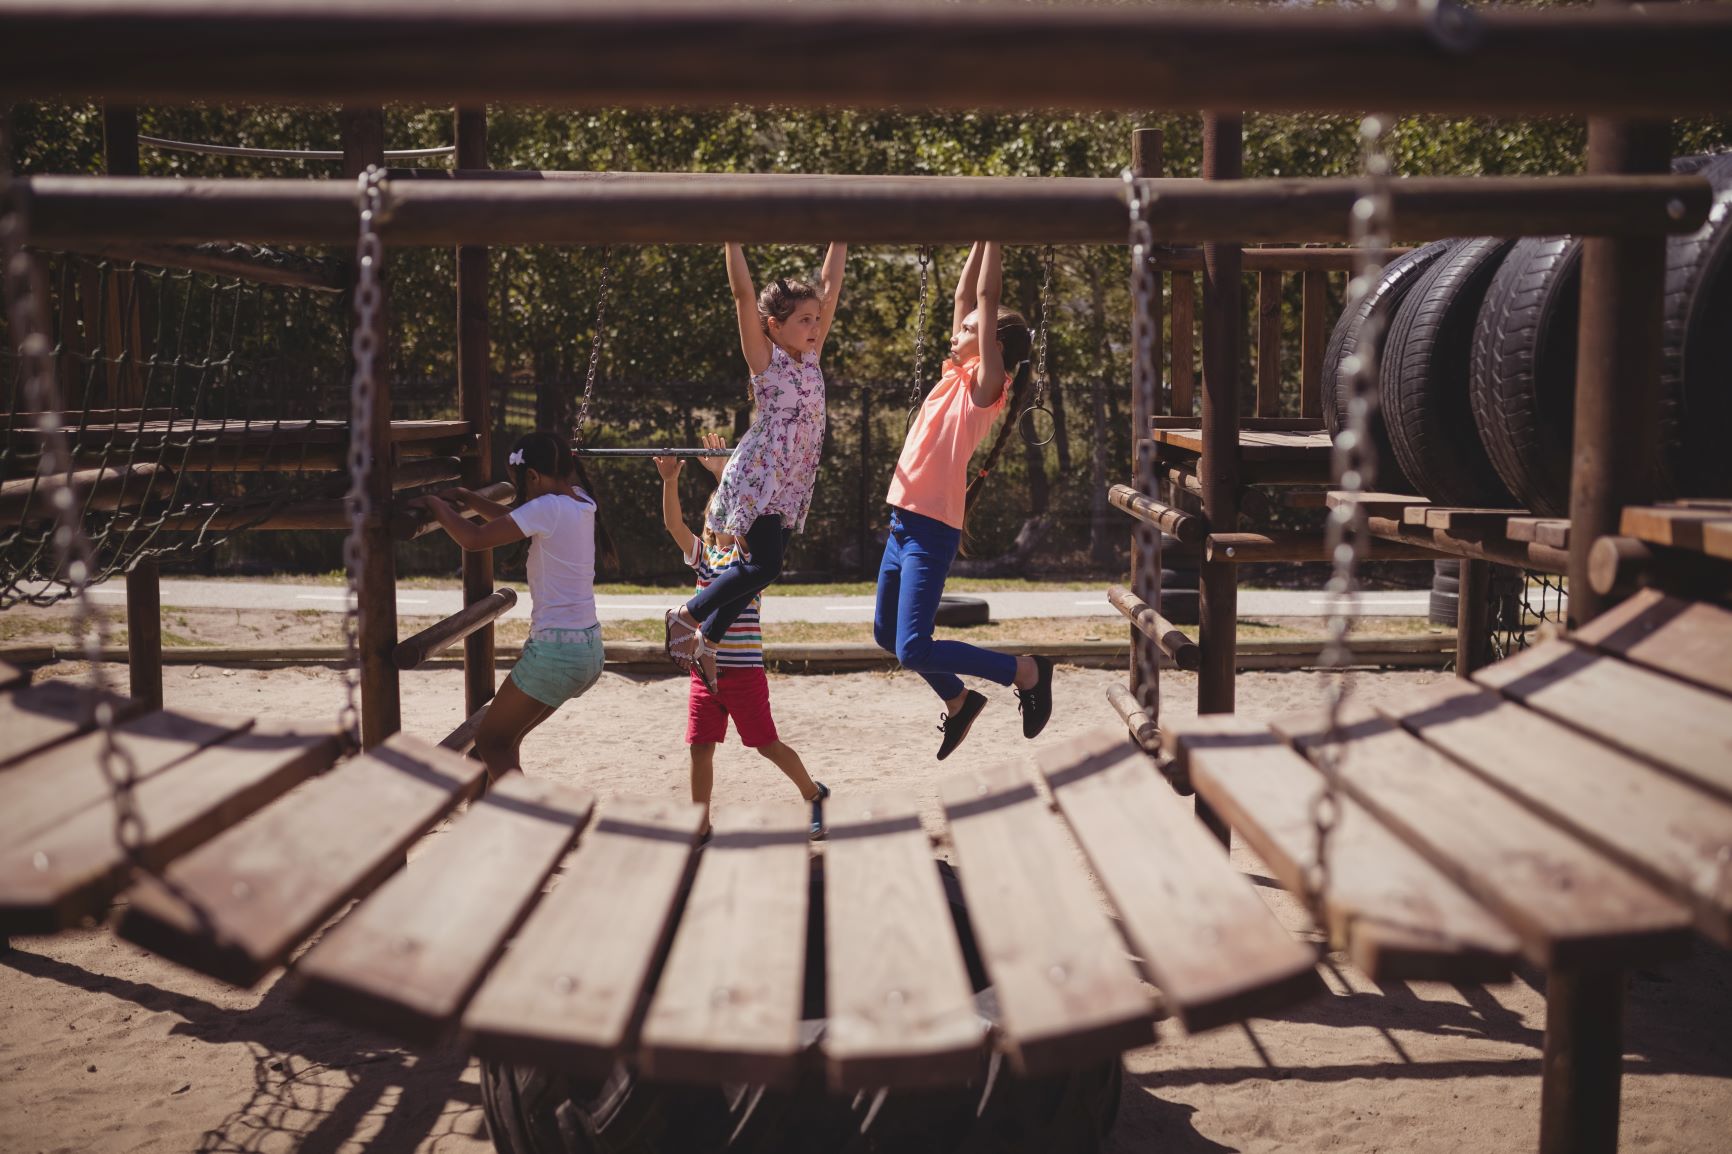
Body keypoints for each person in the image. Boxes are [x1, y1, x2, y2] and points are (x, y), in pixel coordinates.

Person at [875, 241, 1055, 760]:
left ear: (994, 347)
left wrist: (995, 230)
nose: (957, 332)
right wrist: (977, 234)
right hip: (901, 524)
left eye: (970, 329)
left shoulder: (985, 388)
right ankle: (959, 700)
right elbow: (964, 291)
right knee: (888, 636)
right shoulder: (954, 374)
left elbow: (985, 293)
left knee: (913, 648)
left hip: (930, 530)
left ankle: (1025, 671)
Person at [665, 240, 849, 693]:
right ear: (774, 325)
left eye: (817, 319)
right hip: (760, 477)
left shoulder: (811, 357)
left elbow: (831, 284)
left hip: (793, 480)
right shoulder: (766, 362)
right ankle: (687, 615)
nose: (814, 325)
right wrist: (731, 238)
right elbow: (743, 296)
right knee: (764, 565)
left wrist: (841, 236)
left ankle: (709, 639)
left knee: (766, 567)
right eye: (804, 320)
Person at [653, 433, 830, 840]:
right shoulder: (704, 557)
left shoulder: (748, 560)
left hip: (744, 673)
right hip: (704, 674)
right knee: (700, 747)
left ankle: (813, 794)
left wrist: (723, 475)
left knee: (766, 744)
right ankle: (700, 824)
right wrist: (670, 481)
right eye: (722, 510)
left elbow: (744, 502)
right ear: (712, 523)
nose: (730, 514)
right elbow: (673, 524)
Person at [416, 430, 614, 784]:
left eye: (519, 483)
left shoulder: (547, 508)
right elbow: (515, 517)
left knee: (491, 742)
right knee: (508, 739)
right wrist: (468, 499)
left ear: (534, 477)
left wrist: (436, 506)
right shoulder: (580, 501)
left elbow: (474, 540)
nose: (520, 490)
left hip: (555, 653)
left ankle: (532, 826)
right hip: (587, 650)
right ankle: (510, 820)